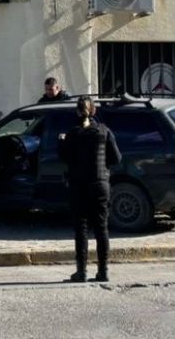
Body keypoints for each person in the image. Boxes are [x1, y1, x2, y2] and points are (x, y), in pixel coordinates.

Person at [58, 97, 122, 283]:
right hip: (100, 185)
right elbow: (116, 158)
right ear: (93, 111)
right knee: (101, 228)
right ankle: (103, 271)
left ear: (78, 112)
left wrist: (61, 142)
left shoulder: (73, 133)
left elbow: (65, 157)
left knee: (81, 228)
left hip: (79, 186)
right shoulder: (104, 131)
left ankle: (81, 271)